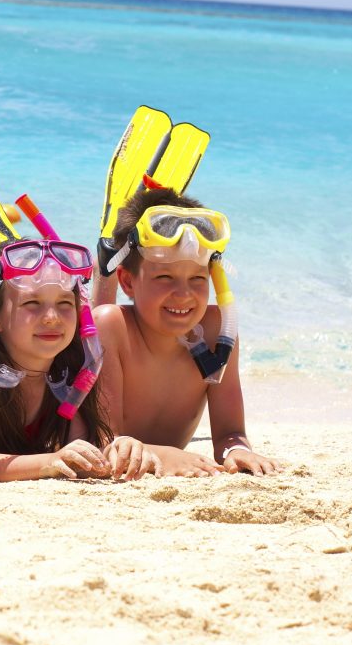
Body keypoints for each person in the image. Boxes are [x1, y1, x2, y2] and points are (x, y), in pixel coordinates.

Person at [93, 187, 281, 477]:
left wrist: (237, 450)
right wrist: (163, 455)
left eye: (197, 278)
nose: (183, 294)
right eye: (165, 277)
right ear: (127, 283)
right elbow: (105, 440)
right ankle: (99, 271)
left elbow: (230, 433)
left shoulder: (217, 331)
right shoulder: (112, 328)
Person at [0, 239, 153, 483]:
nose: (52, 318)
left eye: (64, 303)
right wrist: (50, 461)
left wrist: (120, 448)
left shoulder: (68, 368)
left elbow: (81, 449)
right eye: (32, 303)